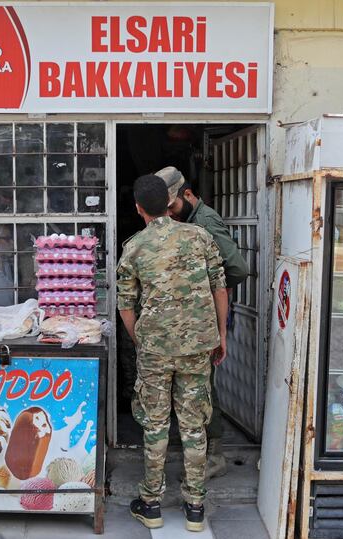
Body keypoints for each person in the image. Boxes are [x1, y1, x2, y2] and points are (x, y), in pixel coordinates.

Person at [117, 174, 228, 532]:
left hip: (155, 350)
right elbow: (219, 289)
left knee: (156, 424)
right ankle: (195, 505)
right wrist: (221, 335)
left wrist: (140, 340)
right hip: (198, 346)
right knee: (194, 425)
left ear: (138, 208)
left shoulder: (134, 246)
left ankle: (151, 503)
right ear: (169, 202)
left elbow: (126, 305)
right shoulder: (199, 237)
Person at [156, 165, 249, 479]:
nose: (168, 214)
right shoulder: (187, 221)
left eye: (172, 207)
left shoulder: (205, 221)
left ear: (188, 194)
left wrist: (212, 289)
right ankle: (195, 445)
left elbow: (237, 268)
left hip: (206, 316)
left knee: (204, 388)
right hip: (192, 318)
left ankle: (214, 454)